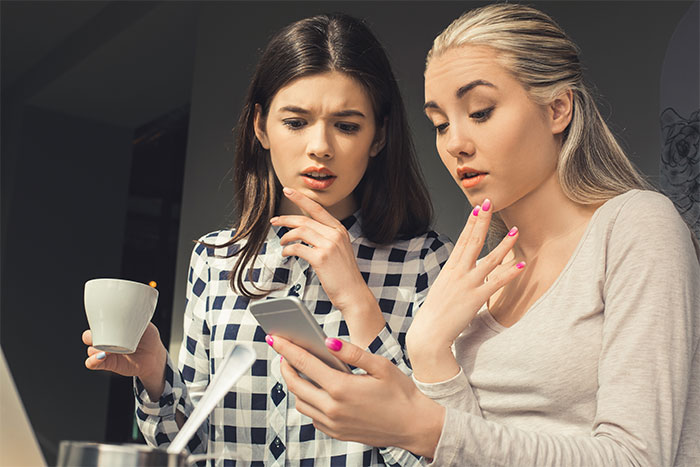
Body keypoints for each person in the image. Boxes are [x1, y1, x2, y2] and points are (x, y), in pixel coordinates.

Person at [270, 4, 700, 466]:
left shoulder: (636, 227)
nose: (455, 142)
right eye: (440, 124)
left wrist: (424, 426)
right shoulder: (477, 271)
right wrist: (429, 351)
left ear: (558, 109)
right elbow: (468, 451)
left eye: (480, 111)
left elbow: (637, 458)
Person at [82, 13, 452, 466]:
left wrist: (357, 296)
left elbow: (433, 454)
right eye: (296, 122)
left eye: (348, 125)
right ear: (261, 127)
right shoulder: (214, 259)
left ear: (379, 136)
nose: (321, 146)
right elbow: (188, 450)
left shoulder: (427, 263)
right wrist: (155, 373)